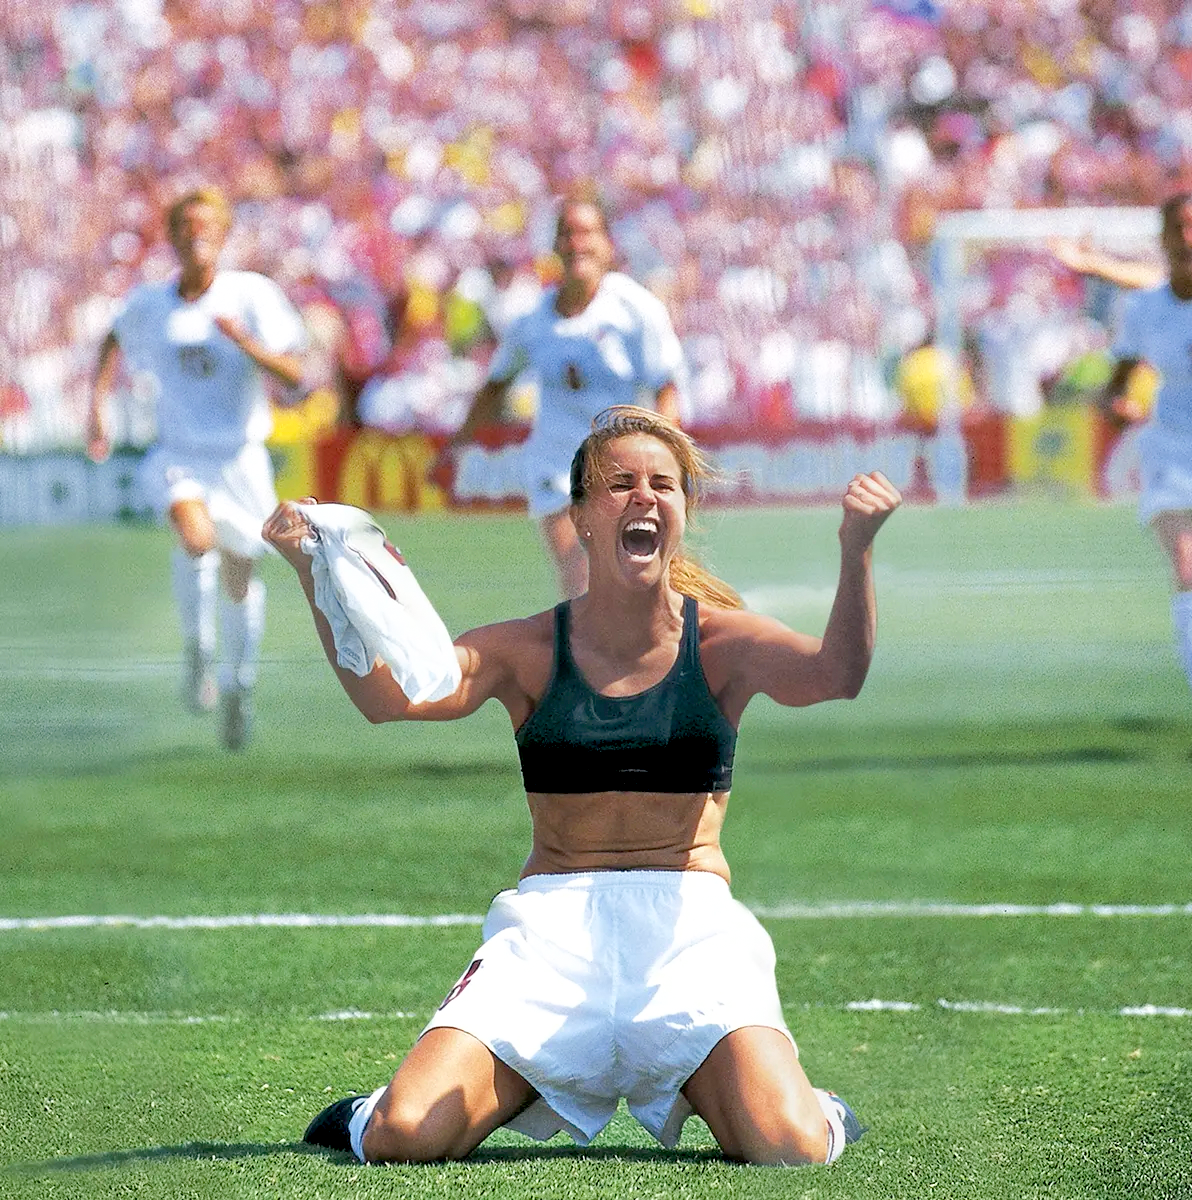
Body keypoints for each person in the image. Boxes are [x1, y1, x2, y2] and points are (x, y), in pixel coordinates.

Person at [264, 404, 902, 1166]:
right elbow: (388, 699)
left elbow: (837, 673)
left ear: (683, 510)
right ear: (581, 518)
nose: (644, 497)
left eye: (662, 484)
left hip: (688, 934)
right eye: (620, 484)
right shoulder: (527, 648)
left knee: (791, 1144)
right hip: (550, 938)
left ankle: (811, 1103)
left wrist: (855, 547)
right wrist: (312, 571)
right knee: (404, 1136)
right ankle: (437, 1093)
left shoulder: (727, 643)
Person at [86, 186, 308, 750]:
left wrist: (246, 342)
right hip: (180, 454)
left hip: (240, 459)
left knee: (240, 575)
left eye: (207, 225)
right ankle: (198, 650)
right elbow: (113, 340)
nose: (195, 234)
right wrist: (97, 408)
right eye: (184, 225)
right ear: (172, 236)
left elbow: (294, 374)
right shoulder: (151, 303)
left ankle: (240, 684)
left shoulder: (251, 295)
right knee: (195, 537)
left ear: (224, 233)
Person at [439, 184, 687, 599]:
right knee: (580, 573)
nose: (576, 244)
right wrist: (458, 445)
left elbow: (666, 388)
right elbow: (495, 387)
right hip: (557, 468)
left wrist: (665, 462)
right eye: (566, 234)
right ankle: (590, 660)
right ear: (554, 246)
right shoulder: (533, 320)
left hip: (623, 468)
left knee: (644, 582)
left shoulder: (635, 311)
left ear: (607, 244)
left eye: (586, 233)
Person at [1100, 193, 1192, 758]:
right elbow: (1117, 384)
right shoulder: (1144, 310)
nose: (1189, 238)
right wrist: (1117, 405)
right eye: (1179, 228)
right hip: (1173, 455)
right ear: (1163, 238)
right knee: (1188, 568)